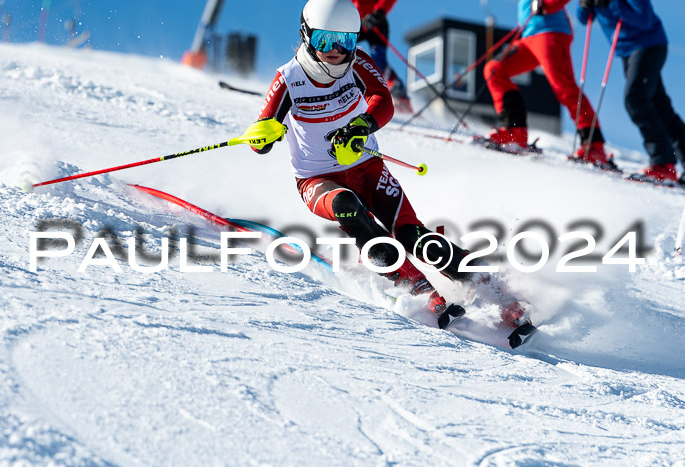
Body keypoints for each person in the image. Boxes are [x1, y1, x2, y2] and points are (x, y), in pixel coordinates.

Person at [243, 0, 493, 327]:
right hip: (317, 179)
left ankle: (488, 285)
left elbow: (383, 101)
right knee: (349, 208)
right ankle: (419, 288)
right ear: (306, 35)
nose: (335, 50)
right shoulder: (289, 78)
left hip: (367, 168)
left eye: (344, 40)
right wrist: (263, 136)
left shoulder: (357, 62)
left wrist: (362, 125)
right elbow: (262, 131)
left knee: (411, 234)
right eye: (324, 40)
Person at [483, 0, 615, 168]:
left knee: (564, 88)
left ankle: (594, 146)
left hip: (550, 32)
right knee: (494, 70)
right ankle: (514, 131)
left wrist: (545, 4)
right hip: (528, 37)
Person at [578, 0, 685, 185]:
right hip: (628, 52)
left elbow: (644, 19)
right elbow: (583, 18)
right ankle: (666, 162)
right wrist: (585, 5)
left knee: (635, 99)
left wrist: (611, 3)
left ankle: (663, 163)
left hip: (648, 45)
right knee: (660, 106)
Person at [350, 0, 413, 113]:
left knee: (378, 61)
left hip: (375, 21)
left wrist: (378, 12)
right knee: (342, 51)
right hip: (355, 21)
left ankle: (399, 94)